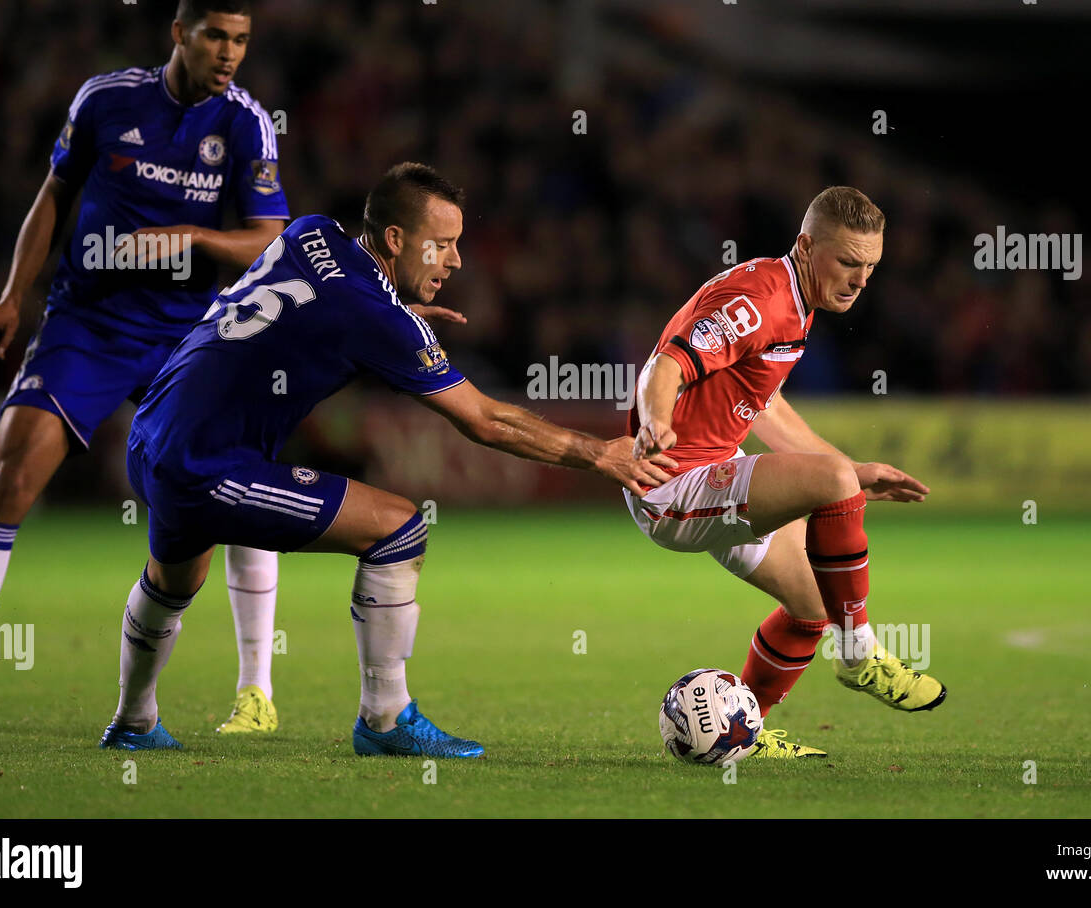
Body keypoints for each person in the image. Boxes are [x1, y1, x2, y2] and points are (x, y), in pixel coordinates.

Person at [99, 162, 674, 756]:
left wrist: (396, 314)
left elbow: (306, 303)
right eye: (443, 245)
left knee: (174, 579)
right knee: (399, 528)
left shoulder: (311, 231)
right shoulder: (377, 318)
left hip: (149, 435)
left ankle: (133, 722)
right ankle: (385, 718)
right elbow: (484, 420)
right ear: (396, 240)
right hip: (205, 465)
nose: (455, 262)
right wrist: (597, 453)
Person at [0, 0, 312, 735]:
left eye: (240, 41)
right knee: (10, 476)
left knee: (234, 489)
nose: (228, 54)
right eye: (214, 37)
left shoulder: (245, 125)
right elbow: (53, 195)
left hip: (190, 332)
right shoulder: (106, 100)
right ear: (179, 33)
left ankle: (256, 693)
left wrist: (196, 240)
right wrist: (13, 294)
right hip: (91, 322)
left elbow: (272, 236)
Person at [627, 186, 945, 759]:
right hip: (669, 483)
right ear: (806, 246)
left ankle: (742, 731)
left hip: (715, 470)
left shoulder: (794, 300)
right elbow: (667, 363)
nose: (860, 280)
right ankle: (860, 653)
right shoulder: (760, 301)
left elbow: (762, 405)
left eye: (871, 267)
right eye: (848, 262)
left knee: (813, 607)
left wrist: (854, 470)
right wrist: (654, 422)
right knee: (830, 483)